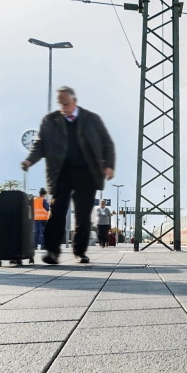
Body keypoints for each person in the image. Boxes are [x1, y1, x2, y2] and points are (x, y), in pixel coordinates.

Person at [20, 86, 115, 265]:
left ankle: (80, 252)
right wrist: (30, 160)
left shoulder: (91, 119)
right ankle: (53, 252)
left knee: (82, 215)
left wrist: (109, 166)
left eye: (66, 103)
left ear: (75, 101)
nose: (63, 107)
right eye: (60, 104)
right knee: (56, 213)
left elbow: (106, 143)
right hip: (60, 173)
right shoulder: (50, 120)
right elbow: (40, 144)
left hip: (87, 173)